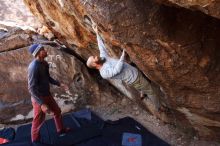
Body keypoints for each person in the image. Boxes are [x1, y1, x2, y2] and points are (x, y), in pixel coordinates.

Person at [86, 24, 161, 111]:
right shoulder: (104, 73)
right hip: (134, 78)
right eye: (94, 58)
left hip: (133, 73)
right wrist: (122, 56)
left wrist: (97, 33)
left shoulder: (102, 58)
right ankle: (158, 107)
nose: (96, 56)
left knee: (141, 84)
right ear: (95, 64)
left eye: (94, 56)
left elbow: (101, 47)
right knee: (151, 91)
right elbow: (116, 70)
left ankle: (142, 93)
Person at [28, 44, 71, 143]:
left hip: (47, 94)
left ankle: (60, 130)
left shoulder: (44, 63)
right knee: (38, 120)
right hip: (38, 98)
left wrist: (59, 84)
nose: (45, 50)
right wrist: (41, 104)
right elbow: (31, 88)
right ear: (38, 53)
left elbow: (48, 78)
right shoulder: (33, 67)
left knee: (57, 111)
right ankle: (35, 141)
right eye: (43, 49)